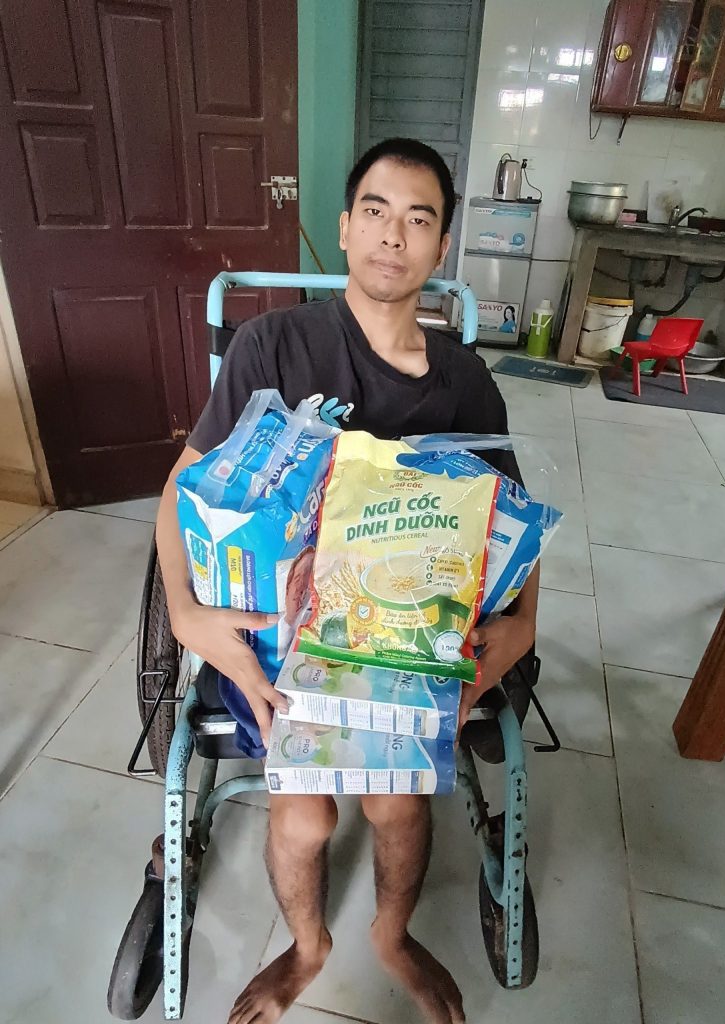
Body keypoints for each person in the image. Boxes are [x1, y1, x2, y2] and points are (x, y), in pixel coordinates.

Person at [155, 137, 539, 1024]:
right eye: (375, 210)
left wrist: (522, 625)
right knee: (305, 817)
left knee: (395, 804)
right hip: (279, 643)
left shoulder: (465, 384)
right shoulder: (272, 346)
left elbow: (511, 524)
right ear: (344, 225)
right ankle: (308, 948)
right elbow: (183, 490)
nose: (392, 235)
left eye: (418, 219)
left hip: (402, 639)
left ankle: (390, 936)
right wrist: (183, 612)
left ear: (441, 247)